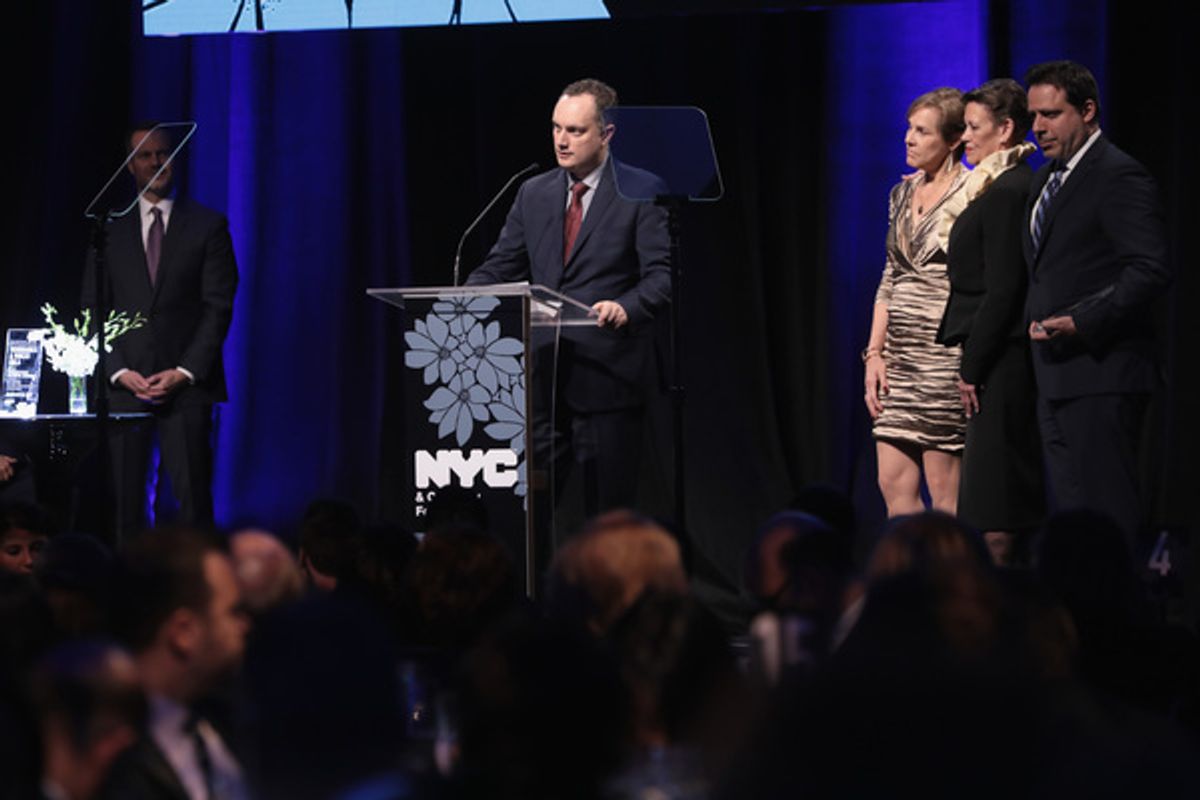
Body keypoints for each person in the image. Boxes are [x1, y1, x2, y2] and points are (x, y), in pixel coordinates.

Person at [465, 78, 671, 522]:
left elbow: (661, 278)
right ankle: (531, 592)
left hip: (608, 382)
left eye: (575, 130)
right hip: (542, 382)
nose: (561, 140)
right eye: (556, 127)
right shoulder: (532, 193)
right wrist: (460, 301)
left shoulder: (641, 190)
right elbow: (501, 266)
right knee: (528, 515)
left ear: (607, 133)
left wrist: (625, 307)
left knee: (606, 518)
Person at [1021, 61, 1170, 539]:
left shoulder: (1117, 175)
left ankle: (1117, 613)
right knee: (1071, 525)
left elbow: (1149, 269)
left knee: (1107, 521)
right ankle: (1078, 613)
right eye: (1034, 116)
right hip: (1054, 376)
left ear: (1087, 111)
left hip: (1102, 373)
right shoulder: (1047, 180)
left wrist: (1082, 321)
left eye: (1051, 114)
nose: (1038, 127)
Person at [81, 123, 239, 538]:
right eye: (145, 156)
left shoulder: (207, 226)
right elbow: (92, 310)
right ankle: (131, 595)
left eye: (162, 154)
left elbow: (218, 305)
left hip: (186, 388)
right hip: (126, 389)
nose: (156, 162)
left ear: (175, 158)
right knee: (126, 512)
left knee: (193, 507)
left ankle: (201, 592)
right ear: (130, 165)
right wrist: (117, 371)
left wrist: (185, 371)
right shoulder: (108, 230)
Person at [936, 78, 1044, 564]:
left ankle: (1001, 622)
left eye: (973, 127)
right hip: (995, 356)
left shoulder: (1008, 190)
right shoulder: (1000, 185)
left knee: (996, 501)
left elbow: (1003, 289)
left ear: (1005, 130)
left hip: (998, 360)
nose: (964, 137)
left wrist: (972, 368)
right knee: (993, 494)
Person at [863, 88, 969, 517]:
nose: (908, 138)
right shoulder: (900, 194)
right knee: (892, 483)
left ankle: (948, 582)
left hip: (943, 355)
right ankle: (909, 579)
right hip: (898, 359)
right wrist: (874, 352)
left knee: (944, 494)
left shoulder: (971, 193)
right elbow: (890, 275)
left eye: (922, 132)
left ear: (953, 139)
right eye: (909, 128)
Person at [102, 530, 250, 800]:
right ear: (183, 632)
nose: (245, 626)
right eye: (232, 613)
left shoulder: (225, 722)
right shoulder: (107, 756)